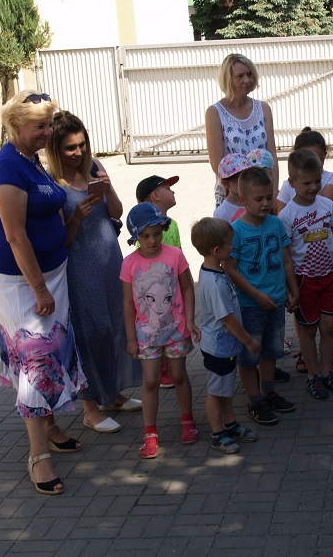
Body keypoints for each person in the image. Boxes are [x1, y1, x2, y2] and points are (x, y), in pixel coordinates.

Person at [0, 89, 85, 495]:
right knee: (35, 361)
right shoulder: (8, 167)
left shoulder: (31, 158)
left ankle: (51, 426)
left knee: (52, 354)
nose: (47, 132)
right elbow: (14, 236)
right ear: (15, 125)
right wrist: (39, 288)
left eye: (49, 123)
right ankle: (38, 456)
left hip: (51, 272)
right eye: (39, 125)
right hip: (22, 283)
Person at [46, 112, 141, 434]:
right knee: (90, 332)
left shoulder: (93, 168)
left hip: (110, 260)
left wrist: (109, 188)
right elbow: (60, 240)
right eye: (70, 147)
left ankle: (111, 395)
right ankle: (89, 408)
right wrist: (75, 218)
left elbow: (116, 212)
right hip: (80, 267)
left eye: (82, 144)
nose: (78, 152)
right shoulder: (53, 185)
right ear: (55, 149)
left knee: (115, 324)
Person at [121, 203, 200, 459]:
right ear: (136, 237)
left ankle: (187, 420)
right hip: (146, 335)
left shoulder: (175, 255)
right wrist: (131, 338)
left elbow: (187, 288)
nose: (153, 240)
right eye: (146, 236)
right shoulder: (129, 264)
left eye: (157, 233)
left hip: (176, 330)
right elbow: (128, 304)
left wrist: (190, 320)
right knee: (151, 381)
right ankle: (150, 432)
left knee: (178, 375)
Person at [223, 166, 299, 425]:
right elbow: (230, 268)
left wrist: (293, 290)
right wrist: (256, 295)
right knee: (249, 355)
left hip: (275, 301)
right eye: (259, 199)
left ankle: (269, 393)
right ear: (242, 199)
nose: (266, 203)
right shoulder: (236, 231)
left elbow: (286, 259)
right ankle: (254, 400)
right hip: (250, 305)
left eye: (269, 197)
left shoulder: (276, 224)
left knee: (270, 351)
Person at [278, 149, 333, 399]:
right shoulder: (286, 215)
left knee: (329, 326)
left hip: (330, 277)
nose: (313, 187)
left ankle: (327, 372)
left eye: (317, 181)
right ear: (292, 183)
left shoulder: (328, 206)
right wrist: (291, 289)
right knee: (308, 330)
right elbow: (286, 257)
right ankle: (313, 376)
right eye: (306, 183)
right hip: (304, 281)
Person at [190, 217, 261, 454]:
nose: (232, 247)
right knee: (215, 391)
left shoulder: (214, 271)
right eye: (229, 244)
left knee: (225, 388)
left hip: (224, 346)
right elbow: (227, 318)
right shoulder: (215, 283)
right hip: (218, 348)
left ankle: (230, 424)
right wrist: (248, 340)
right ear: (216, 250)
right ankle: (217, 433)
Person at [205, 53, 279, 210]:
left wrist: (273, 192)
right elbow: (217, 163)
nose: (247, 80)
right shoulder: (214, 112)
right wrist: (240, 193)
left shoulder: (263, 108)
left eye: (249, 74)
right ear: (227, 79)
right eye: (240, 76)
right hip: (232, 196)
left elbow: (272, 153)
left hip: (262, 195)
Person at [136, 173, 182, 390]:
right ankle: (162, 368)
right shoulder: (144, 230)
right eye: (168, 188)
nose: (172, 191)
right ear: (155, 195)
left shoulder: (173, 224)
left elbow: (179, 254)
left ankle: (172, 364)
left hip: (173, 288)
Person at [274, 128, 333, 214]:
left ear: (325, 155)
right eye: (307, 161)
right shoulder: (288, 185)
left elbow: (326, 207)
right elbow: (281, 216)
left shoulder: (331, 178)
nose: (312, 165)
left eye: (318, 160)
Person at [214, 153, 254, 223]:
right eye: (238, 179)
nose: (245, 182)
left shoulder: (257, 201)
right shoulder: (221, 213)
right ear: (225, 183)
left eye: (247, 176)